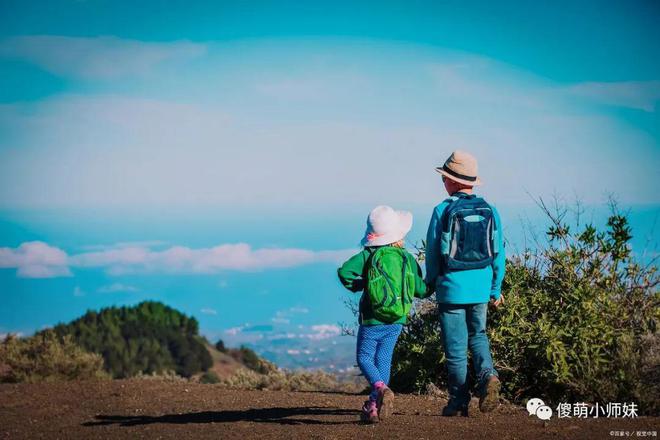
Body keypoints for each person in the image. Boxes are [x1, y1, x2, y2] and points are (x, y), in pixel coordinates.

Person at [425, 150, 506, 417]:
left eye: (444, 177)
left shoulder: (442, 210)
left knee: (456, 348)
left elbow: (433, 253)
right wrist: (495, 288)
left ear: (452, 181)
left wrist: (430, 283)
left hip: (451, 289)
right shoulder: (490, 210)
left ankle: (459, 400)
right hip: (481, 287)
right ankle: (488, 376)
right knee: (479, 336)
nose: (442, 182)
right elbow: (498, 253)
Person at [338, 205, 430, 423]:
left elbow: (344, 273)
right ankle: (373, 406)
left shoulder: (369, 254)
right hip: (397, 319)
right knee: (383, 360)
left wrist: (363, 284)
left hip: (372, 318)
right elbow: (421, 289)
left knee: (364, 358)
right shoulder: (407, 258)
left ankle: (380, 390)